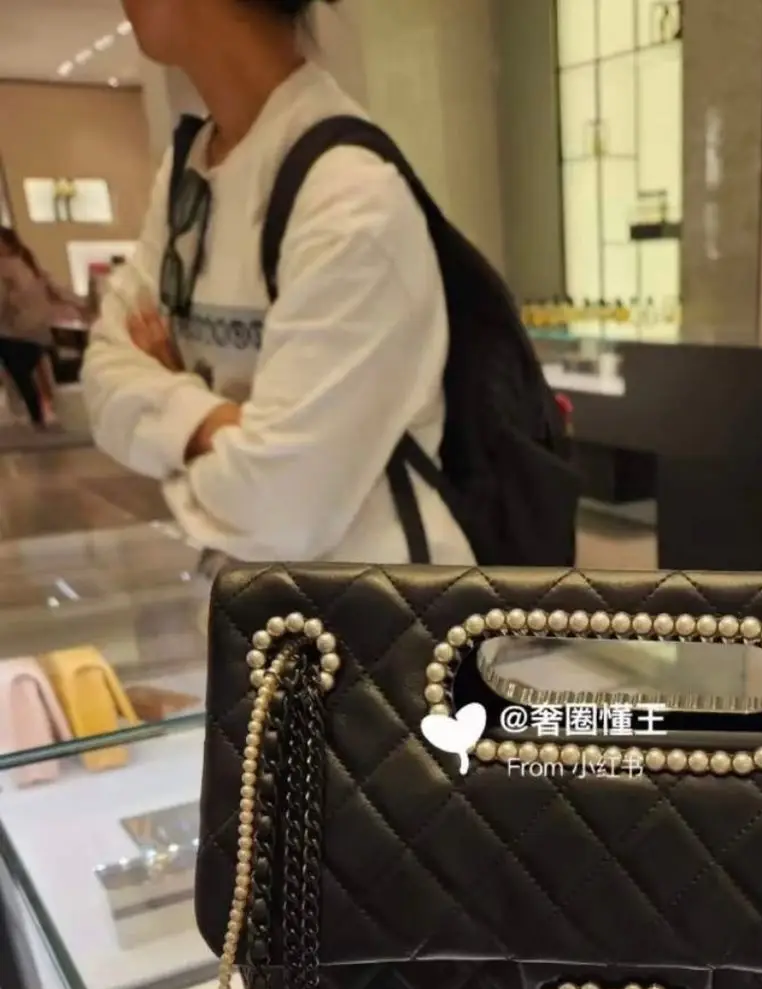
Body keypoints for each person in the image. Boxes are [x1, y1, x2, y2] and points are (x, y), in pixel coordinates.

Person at [83, 0, 472, 567]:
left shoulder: (350, 199)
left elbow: (280, 507)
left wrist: (167, 412)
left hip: (370, 610)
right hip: (252, 598)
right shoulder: (186, 174)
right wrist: (215, 425)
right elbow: (102, 377)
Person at [0, 229, 56, 428]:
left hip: (15, 330)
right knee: (28, 373)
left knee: (22, 375)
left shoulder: (9, 266)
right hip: (30, 328)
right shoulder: (25, 264)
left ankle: (35, 414)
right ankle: (39, 412)